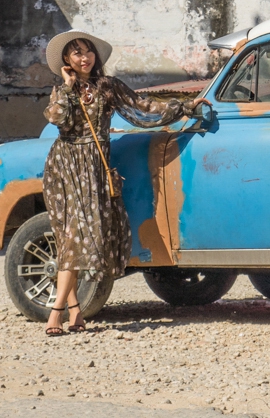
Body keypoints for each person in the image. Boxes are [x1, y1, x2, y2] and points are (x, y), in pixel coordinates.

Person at [40, 30, 210, 336]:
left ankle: (62, 313)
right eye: (77, 53)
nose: (84, 57)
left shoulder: (108, 87)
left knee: (79, 236)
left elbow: (142, 107)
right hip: (64, 166)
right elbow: (58, 120)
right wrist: (67, 88)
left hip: (93, 166)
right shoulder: (61, 91)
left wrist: (184, 106)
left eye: (88, 51)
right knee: (70, 238)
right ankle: (69, 313)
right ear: (67, 60)